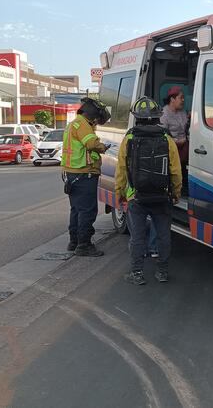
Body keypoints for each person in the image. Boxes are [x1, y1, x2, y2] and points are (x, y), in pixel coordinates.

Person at [115, 97, 182, 285]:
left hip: (137, 197)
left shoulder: (129, 138)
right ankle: (162, 272)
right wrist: (176, 193)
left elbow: (121, 169)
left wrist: (119, 192)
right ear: (157, 117)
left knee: (137, 236)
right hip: (162, 196)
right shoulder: (166, 139)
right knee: (163, 235)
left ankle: (137, 273)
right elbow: (175, 170)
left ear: (136, 117)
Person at [63, 97, 111, 257]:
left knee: (76, 209)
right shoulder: (83, 125)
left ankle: (74, 241)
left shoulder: (74, 123)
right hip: (84, 172)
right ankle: (84, 245)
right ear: (92, 115)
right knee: (88, 210)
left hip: (73, 173)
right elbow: (91, 144)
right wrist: (103, 147)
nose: (96, 123)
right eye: (97, 120)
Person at [160, 86, 189, 166]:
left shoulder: (182, 112)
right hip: (171, 150)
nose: (183, 100)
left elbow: (186, 128)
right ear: (172, 99)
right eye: (181, 98)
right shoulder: (164, 115)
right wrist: (177, 142)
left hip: (184, 149)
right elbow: (162, 137)